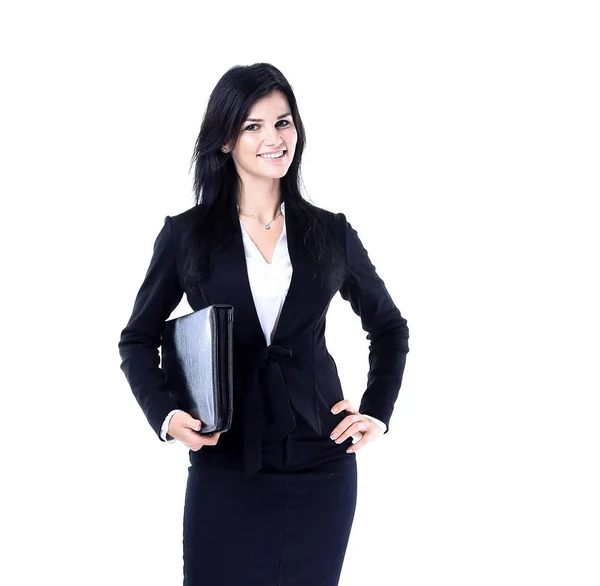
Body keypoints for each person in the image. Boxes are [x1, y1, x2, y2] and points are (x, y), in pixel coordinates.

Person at [118, 62, 409, 586]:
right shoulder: (187, 236)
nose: (274, 138)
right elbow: (137, 338)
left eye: (284, 122)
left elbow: (389, 327)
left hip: (323, 459)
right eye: (253, 125)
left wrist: (378, 413)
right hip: (228, 460)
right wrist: (165, 415)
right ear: (226, 140)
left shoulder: (329, 232)